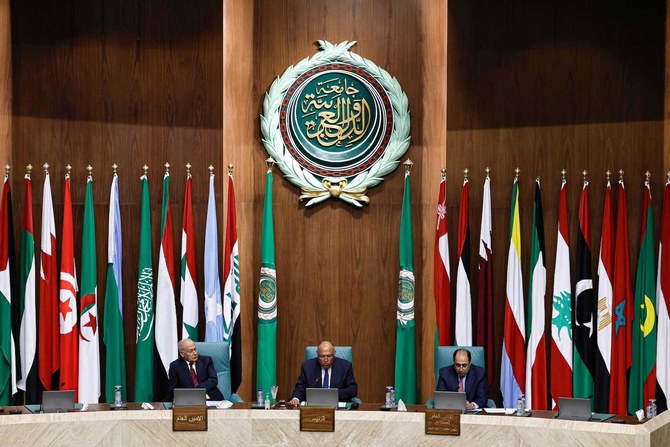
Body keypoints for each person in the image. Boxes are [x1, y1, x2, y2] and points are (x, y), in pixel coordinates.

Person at [288, 341, 358, 406]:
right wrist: (295, 398)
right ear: (317, 353)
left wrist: (331, 394)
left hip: (337, 406)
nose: (326, 360)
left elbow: (352, 389)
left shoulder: (345, 366)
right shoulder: (307, 366)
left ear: (334, 353)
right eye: (322, 356)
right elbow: (301, 386)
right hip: (314, 407)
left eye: (329, 356)